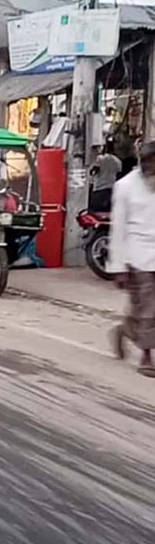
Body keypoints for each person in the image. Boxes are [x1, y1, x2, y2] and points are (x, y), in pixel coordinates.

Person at [109, 140, 155, 378]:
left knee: (144, 310)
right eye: (151, 162)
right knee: (149, 309)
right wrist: (118, 267)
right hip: (138, 256)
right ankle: (147, 356)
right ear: (143, 163)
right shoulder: (125, 186)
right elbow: (118, 229)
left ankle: (125, 330)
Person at [89, 142, 122, 212]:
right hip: (111, 189)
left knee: (95, 213)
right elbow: (118, 175)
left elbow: (94, 171)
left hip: (99, 189)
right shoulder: (118, 161)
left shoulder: (100, 158)